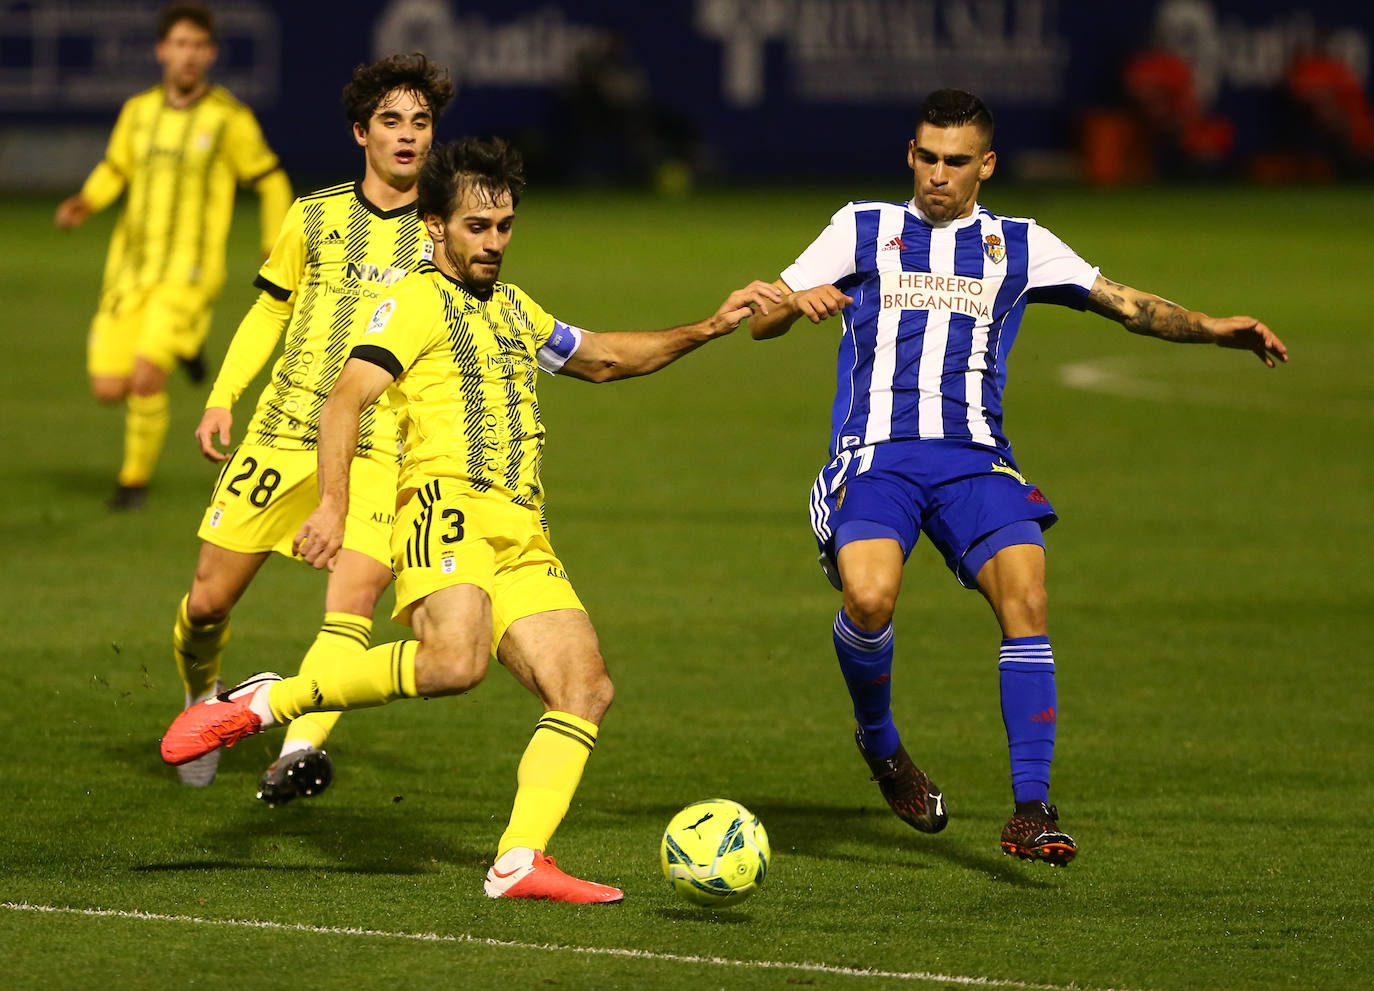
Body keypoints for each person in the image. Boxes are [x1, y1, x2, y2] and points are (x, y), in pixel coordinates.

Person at [161, 136, 783, 902]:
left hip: (521, 525)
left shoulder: (518, 311)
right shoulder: (414, 301)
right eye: (476, 228)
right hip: (442, 505)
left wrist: (707, 328)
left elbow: (604, 358)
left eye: (504, 227)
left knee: (584, 686)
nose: (492, 243)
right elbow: (345, 398)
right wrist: (333, 501)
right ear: (435, 227)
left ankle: (519, 860)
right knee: (455, 663)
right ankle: (263, 703)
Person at [747, 89, 1286, 866]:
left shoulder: (1020, 244)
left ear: (986, 166)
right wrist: (795, 303)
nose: (938, 175)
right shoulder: (861, 227)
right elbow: (761, 314)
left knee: (1028, 594)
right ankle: (883, 748)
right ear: (911, 154)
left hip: (975, 459)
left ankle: (1031, 809)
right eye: (927, 157)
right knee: (867, 596)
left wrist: (1213, 329)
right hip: (878, 457)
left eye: (956, 162)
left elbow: (1124, 304)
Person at [169, 55, 454, 799]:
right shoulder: (315, 215)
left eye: (420, 122)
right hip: (284, 429)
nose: (408, 136)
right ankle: (205, 700)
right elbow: (270, 306)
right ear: (362, 132)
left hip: (379, 447)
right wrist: (222, 396)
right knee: (206, 603)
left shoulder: (445, 232)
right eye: (391, 120)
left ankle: (295, 750)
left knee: (353, 598)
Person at [55, 2, 292, 510]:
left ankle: (132, 482)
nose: (189, 55)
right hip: (132, 268)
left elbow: (270, 178)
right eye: (180, 44)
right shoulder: (137, 112)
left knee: (145, 376)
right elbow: (116, 166)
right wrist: (87, 199)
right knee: (108, 385)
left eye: (199, 46)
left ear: (210, 54)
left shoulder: (228, 118)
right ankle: (187, 350)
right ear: (163, 50)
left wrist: (274, 241)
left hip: (190, 272)